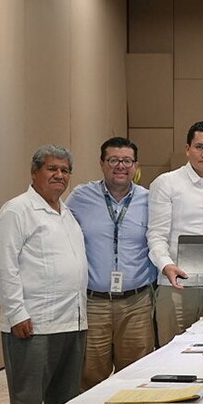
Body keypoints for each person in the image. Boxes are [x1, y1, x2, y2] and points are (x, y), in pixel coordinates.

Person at [0, 145, 87, 404]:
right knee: (28, 403)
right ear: (34, 172)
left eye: (65, 170)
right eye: (52, 168)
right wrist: (16, 312)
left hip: (72, 321)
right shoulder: (17, 210)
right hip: (33, 324)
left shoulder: (66, 213)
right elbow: (3, 266)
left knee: (66, 403)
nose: (60, 175)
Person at [66, 137, 157, 390]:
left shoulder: (150, 200)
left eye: (127, 161)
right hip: (94, 303)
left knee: (136, 378)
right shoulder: (80, 198)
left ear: (136, 165)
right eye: (114, 160)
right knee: (89, 376)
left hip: (137, 303)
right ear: (102, 163)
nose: (121, 166)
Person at [147, 121, 203, 344]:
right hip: (176, 286)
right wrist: (166, 265)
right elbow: (156, 235)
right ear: (187, 149)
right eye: (199, 147)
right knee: (171, 355)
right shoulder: (167, 183)